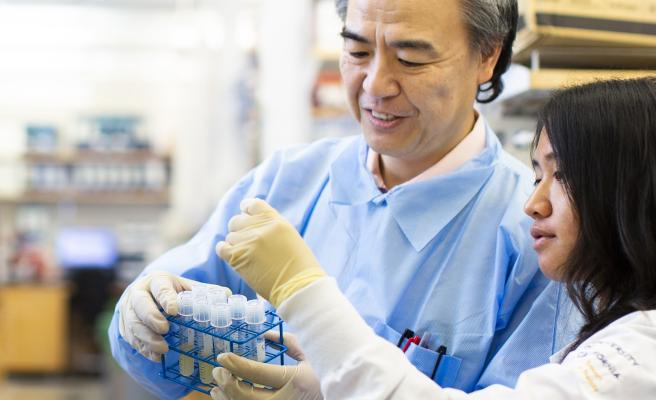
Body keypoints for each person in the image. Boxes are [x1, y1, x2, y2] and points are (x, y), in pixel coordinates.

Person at [108, 0, 578, 398]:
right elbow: (164, 332)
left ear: (487, 56)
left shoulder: (538, 235)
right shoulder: (286, 182)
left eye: (410, 58)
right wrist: (144, 315)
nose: (375, 85)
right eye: (357, 51)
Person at [216, 77, 656, 399]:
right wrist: (329, 387)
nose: (533, 202)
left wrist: (303, 290)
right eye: (537, 174)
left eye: (563, 176)